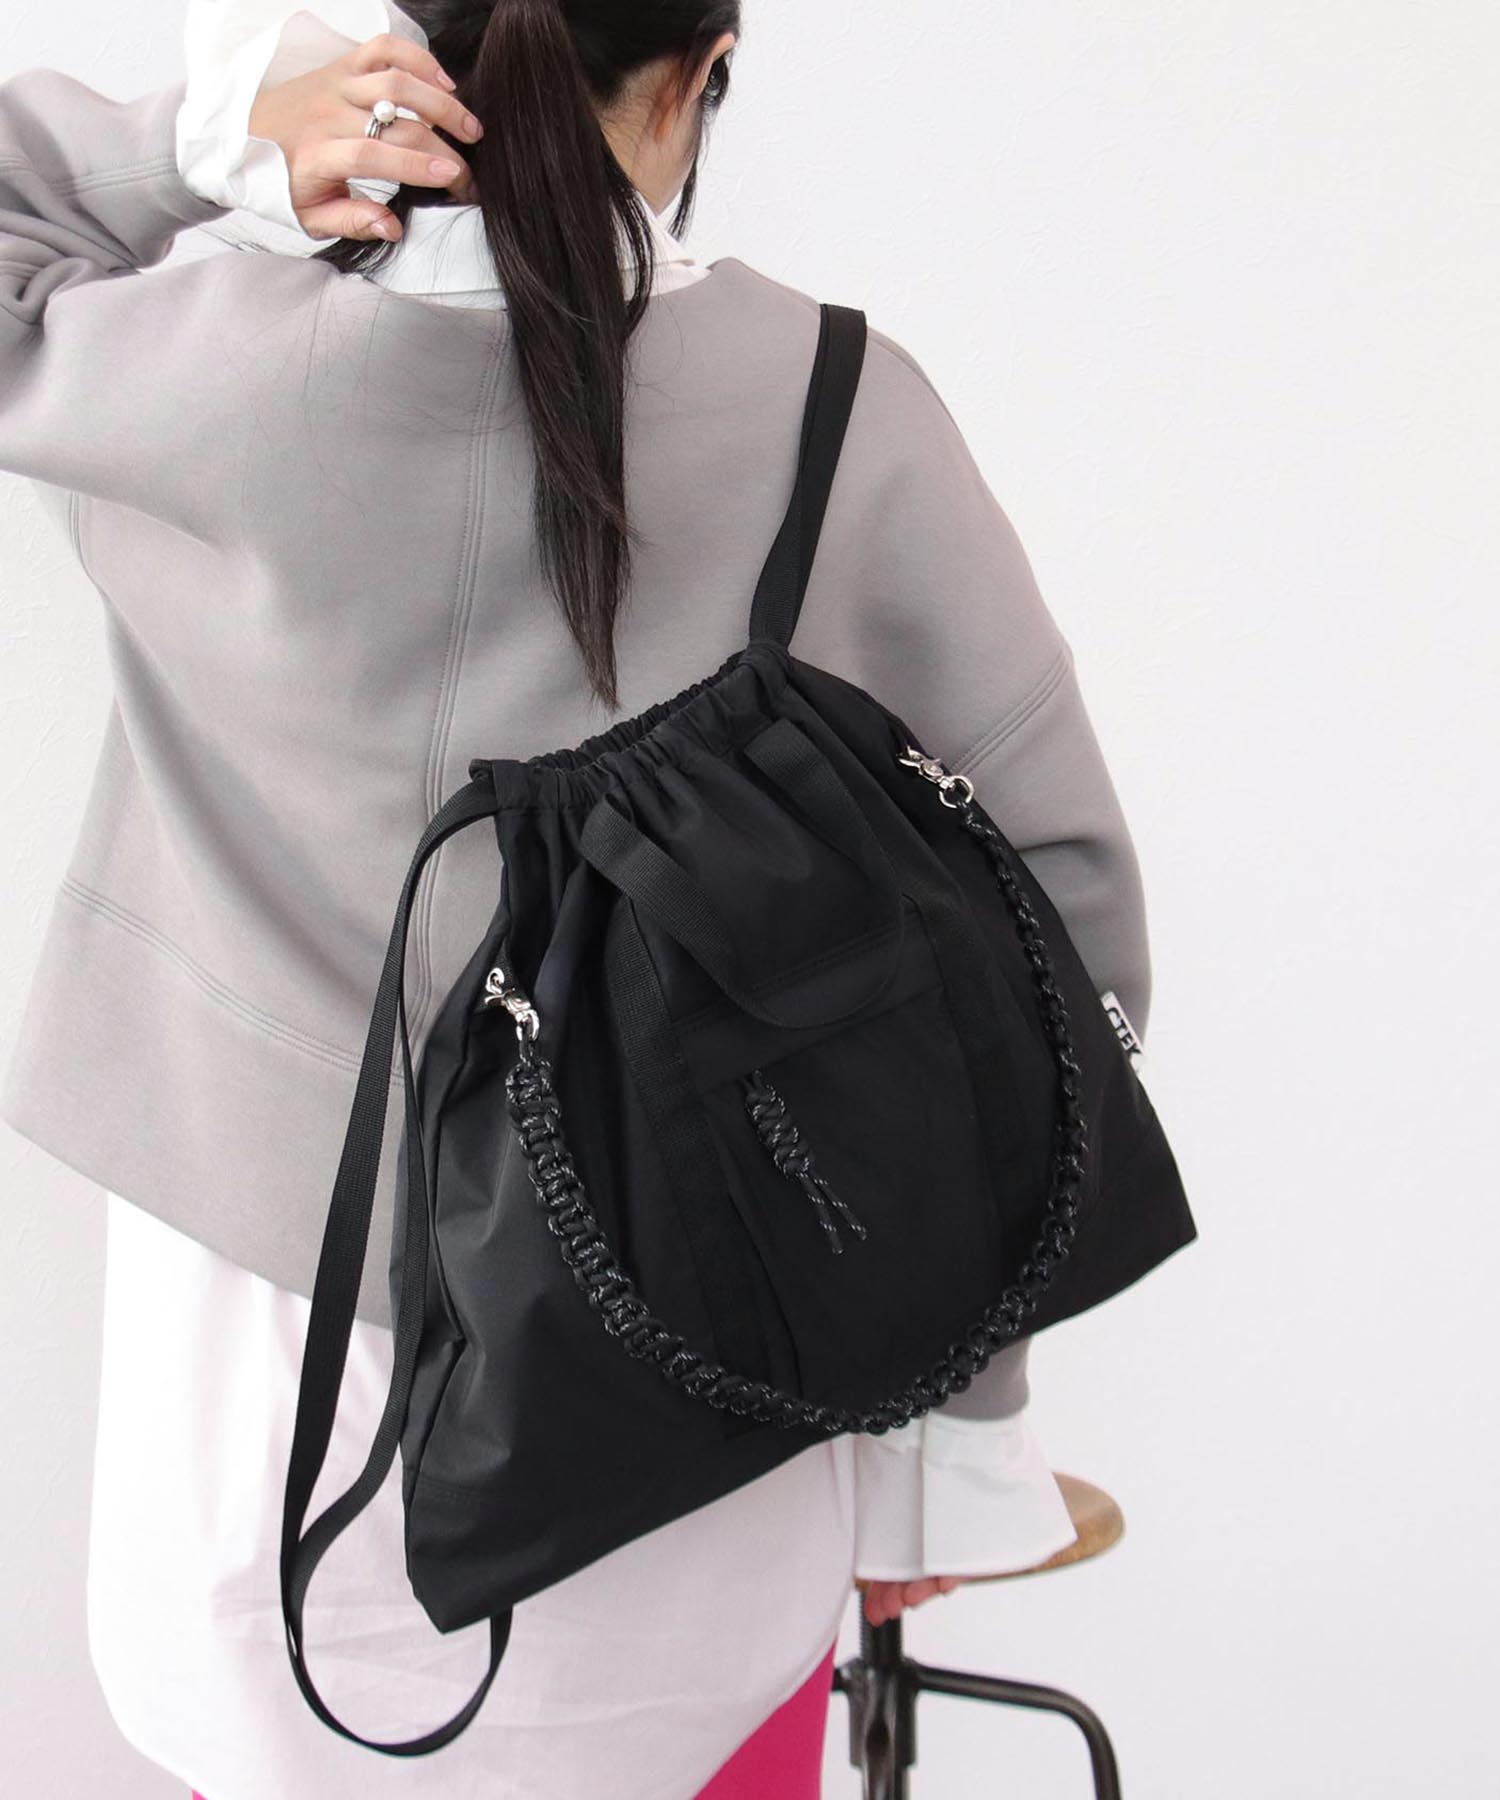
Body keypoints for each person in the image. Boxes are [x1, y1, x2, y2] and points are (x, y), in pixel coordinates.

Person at [0, 1, 1158, 1794]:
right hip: (706, 1444)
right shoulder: (837, 410)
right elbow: (1046, 950)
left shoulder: (190, 372)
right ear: (703, 69)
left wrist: (213, 131)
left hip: (262, 1491)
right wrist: (950, 1451)